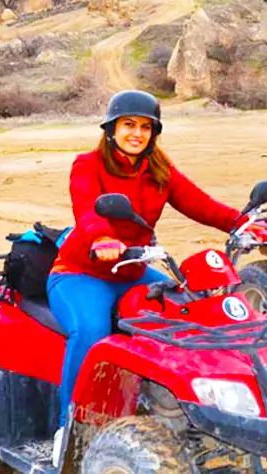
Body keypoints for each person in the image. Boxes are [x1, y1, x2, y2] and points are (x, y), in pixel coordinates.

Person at [46, 89, 242, 463]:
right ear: (111, 129)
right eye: (128, 125)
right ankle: (70, 428)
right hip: (80, 273)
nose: (136, 133)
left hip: (132, 271)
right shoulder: (87, 164)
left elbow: (198, 202)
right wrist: (102, 238)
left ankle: (183, 412)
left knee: (188, 311)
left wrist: (239, 221)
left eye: (145, 127)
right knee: (91, 331)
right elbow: (87, 211)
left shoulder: (159, 171)